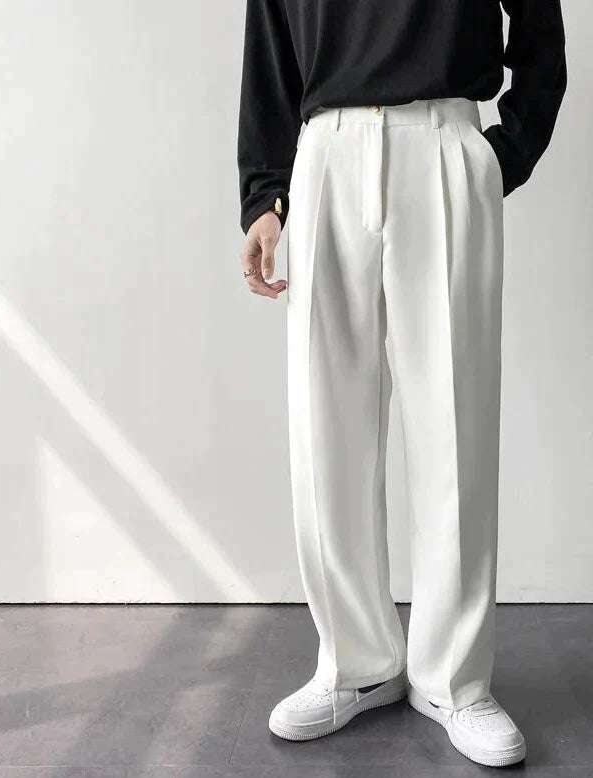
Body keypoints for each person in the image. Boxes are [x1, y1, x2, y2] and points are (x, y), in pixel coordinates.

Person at [237, 0, 566, 768]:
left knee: (455, 423)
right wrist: (263, 194)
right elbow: (269, 48)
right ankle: (353, 664)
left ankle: (454, 679)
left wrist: (500, 153)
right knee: (326, 427)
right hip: (324, 152)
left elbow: (539, 30)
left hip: (443, 142)